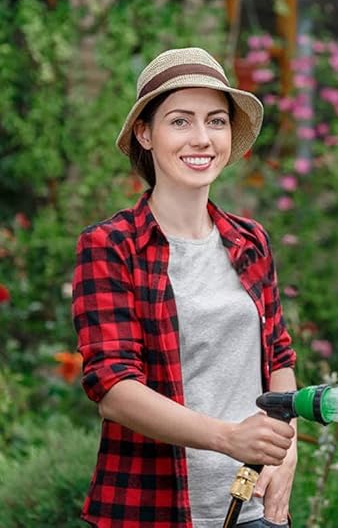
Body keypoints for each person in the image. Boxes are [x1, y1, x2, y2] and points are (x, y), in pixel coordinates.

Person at [71, 47, 297, 528]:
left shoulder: (250, 241)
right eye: (180, 121)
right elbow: (114, 389)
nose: (202, 138)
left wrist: (287, 447)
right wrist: (228, 438)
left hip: (254, 512)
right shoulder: (112, 246)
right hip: (152, 511)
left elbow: (279, 358)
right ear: (145, 133)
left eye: (216, 121)